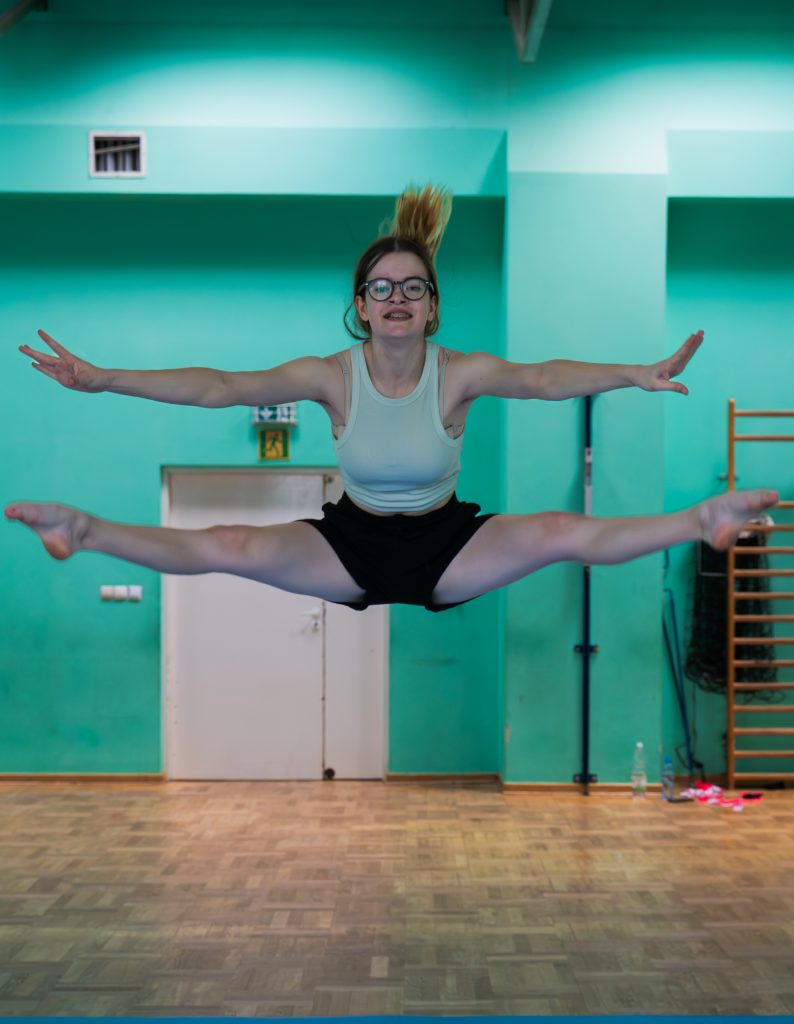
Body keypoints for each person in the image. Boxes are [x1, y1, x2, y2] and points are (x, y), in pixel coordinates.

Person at [4, 185, 779, 612]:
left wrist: (634, 372)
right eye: (382, 288)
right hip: (351, 542)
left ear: (432, 306)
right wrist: (104, 378)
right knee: (230, 545)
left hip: (449, 544)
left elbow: (543, 379)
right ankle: (84, 528)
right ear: (362, 306)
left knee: (556, 530)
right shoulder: (330, 376)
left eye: (412, 287)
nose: (397, 298)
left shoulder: (461, 372)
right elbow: (220, 388)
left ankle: (701, 520)